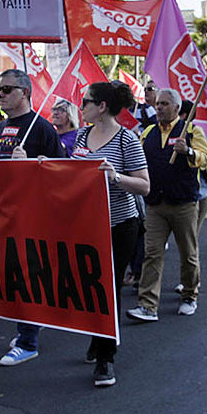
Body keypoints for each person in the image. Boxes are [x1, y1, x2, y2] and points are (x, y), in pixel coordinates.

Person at [70, 81, 150, 387]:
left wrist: (115, 177)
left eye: (86, 102)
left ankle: (106, 359)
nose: (82, 106)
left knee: (109, 288)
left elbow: (144, 186)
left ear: (102, 106)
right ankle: (98, 338)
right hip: (87, 224)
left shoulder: (126, 140)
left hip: (119, 225)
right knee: (91, 287)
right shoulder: (81, 135)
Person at [0, 69, 65, 366]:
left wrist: (34, 165)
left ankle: (28, 341)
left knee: (27, 277)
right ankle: (29, 325)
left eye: (7, 89)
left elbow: (62, 172)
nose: (2, 95)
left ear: (25, 92)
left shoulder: (42, 128)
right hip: (4, 214)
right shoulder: (0, 128)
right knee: (11, 277)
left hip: (32, 216)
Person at [127, 88, 207, 322]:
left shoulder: (192, 131)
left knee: (188, 253)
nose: (160, 107)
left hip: (183, 203)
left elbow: (206, 160)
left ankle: (189, 295)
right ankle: (147, 305)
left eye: (164, 103)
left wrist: (189, 151)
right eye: (158, 104)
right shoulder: (149, 133)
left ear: (177, 107)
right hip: (155, 204)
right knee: (151, 253)